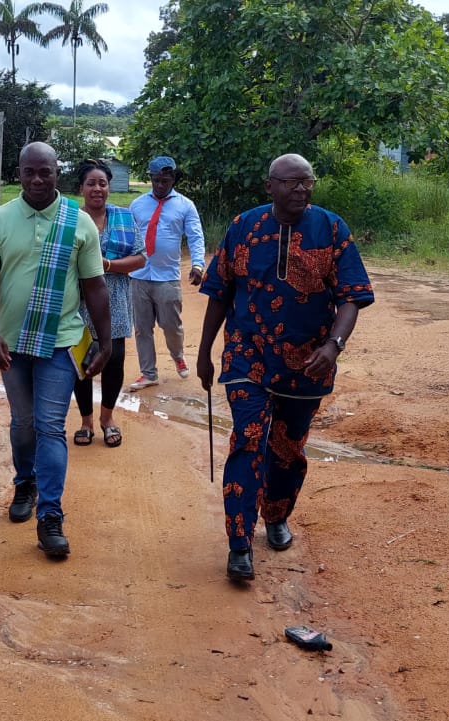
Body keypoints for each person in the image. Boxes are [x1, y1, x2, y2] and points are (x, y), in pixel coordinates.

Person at [196, 153, 375, 581]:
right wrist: (204, 352)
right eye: (292, 182)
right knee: (249, 439)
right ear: (270, 186)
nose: (302, 189)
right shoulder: (243, 227)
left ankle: (276, 516)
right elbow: (220, 292)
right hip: (247, 356)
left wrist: (334, 345)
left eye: (308, 182)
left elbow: (351, 296)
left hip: (308, 363)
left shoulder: (332, 229)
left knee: (288, 450)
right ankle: (239, 543)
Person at [0, 142, 112, 558]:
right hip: (10, 344)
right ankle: (25, 483)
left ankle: (51, 515)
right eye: (29, 172)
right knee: (23, 423)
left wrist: (105, 342)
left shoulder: (79, 223)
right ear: (19, 173)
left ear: (57, 173)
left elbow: (95, 287)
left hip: (60, 341)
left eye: (45, 173)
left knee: (50, 425)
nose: (36, 180)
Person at [70, 159, 145, 448]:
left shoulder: (125, 217)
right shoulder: (71, 220)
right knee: (82, 363)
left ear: (108, 187)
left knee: (114, 360)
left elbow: (140, 258)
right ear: (81, 188)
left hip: (115, 300)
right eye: (91, 183)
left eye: (102, 183)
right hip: (78, 303)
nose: (97, 188)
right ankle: (86, 421)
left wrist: (108, 264)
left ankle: (107, 418)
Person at [127, 155, 206, 391]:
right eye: (156, 180)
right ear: (150, 179)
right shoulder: (137, 205)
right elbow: (128, 237)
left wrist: (198, 264)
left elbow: (195, 235)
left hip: (167, 276)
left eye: (165, 180)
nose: (160, 185)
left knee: (171, 325)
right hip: (139, 276)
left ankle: (178, 354)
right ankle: (148, 373)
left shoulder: (185, 205)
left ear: (173, 179)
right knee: (142, 328)